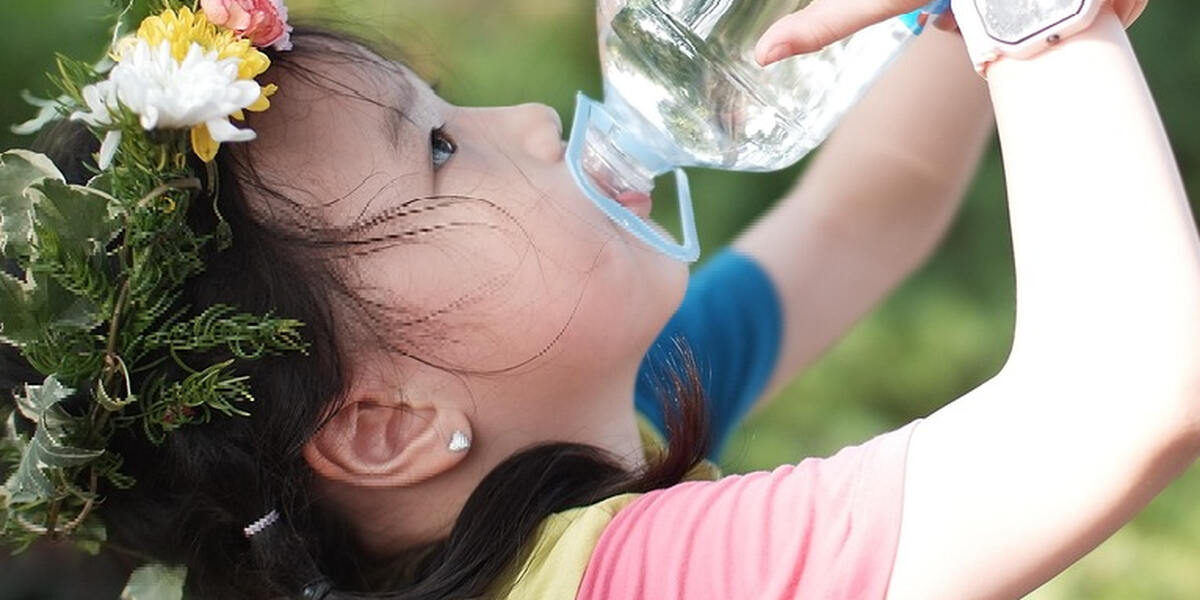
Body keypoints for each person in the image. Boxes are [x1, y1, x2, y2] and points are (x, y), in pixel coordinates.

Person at [1, 0, 1193, 599]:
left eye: (447, 105)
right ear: (384, 426)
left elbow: (873, 207)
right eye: (438, 151)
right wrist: (1041, 19)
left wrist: (950, 23)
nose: (526, 120)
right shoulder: (631, 581)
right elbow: (1136, 389)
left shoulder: (574, 458)